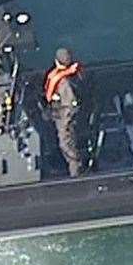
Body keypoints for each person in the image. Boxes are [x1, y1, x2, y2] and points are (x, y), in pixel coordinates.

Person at [44, 47, 84, 177]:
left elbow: (70, 106)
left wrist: (65, 125)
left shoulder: (64, 82)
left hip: (64, 117)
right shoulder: (66, 75)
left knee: (66, 145)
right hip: (57, 114)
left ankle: (76, 173)